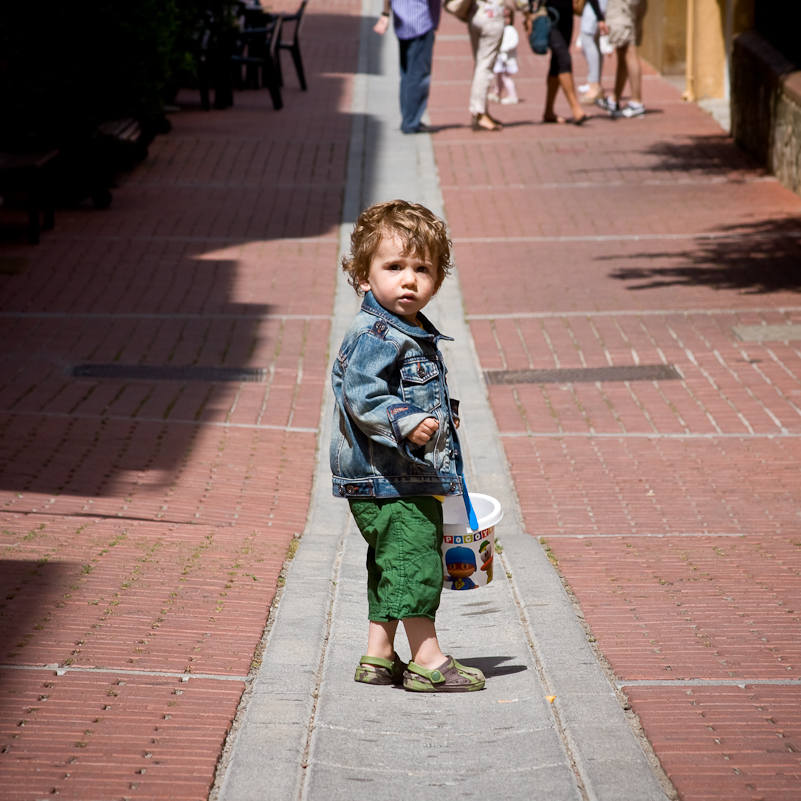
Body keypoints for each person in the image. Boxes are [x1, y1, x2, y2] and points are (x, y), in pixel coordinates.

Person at [331, 199, 485, 693]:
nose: (409, 280)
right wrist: (410, 419)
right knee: (416, 563)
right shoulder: (375, 333)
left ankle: (378, 656)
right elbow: (363, 394)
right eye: (394, 267)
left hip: (404, 476)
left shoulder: (413, 330)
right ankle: (428, 659)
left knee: (392, 562)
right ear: (363, 273)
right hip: (390, 479)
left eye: (423, 269)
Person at [530, 0, 607, 124]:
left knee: (556, 63)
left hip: (566, 17)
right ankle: (575, 108)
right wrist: (528, 13)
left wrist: (599, 17)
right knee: (564, 59)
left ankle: (548, 111)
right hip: (549, 16)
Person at [374, 0, 440, 134]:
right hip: (420, 21)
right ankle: (411, 122)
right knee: (417, 75)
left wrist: (385, 13)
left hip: (402, 21)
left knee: (407, 74)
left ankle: (409, 118)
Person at [596, 0, 647, 117]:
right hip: (636, 5)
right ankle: (614, 99)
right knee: (623, 49)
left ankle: (636, 101)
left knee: (629, 49)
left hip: (622, 4)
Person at [467, 0, 510, 130]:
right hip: (492, 16)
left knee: (480, 64)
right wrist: (527, 10)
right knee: (484, 66)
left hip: (476, 14)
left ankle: (481, 111)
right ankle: (479, 113)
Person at [577, 0, 609, 104]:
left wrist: (599, 17)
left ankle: (594, 85)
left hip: (596, 5)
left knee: (588, 38)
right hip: (598, 6)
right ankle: (595, 83)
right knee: (594, 41)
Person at [489, 6, 520, 105]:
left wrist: (504, 48)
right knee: (498, 77)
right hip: (500, 59)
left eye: (507, 17)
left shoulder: (510, 30)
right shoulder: (501, 29)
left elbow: (514, 42)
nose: (505, 19)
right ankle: (497, 93)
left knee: (506, 78)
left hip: (507, 59)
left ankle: (513, 95)